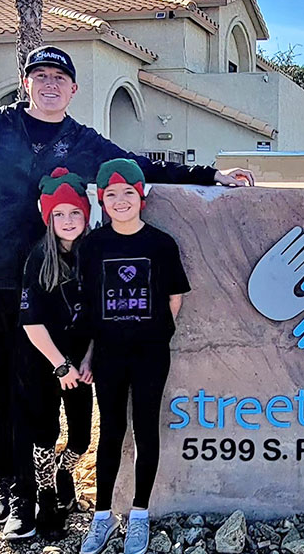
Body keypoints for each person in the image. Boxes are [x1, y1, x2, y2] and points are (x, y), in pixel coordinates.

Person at [0, 45, 253, 539]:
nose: (50, 84)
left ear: (74, 89)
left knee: (43, 391)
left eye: (60, 77)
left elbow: (139, 168)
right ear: (25, 82)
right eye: (40, 75)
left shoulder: (82, 141)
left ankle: (49, 480)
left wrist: (210, 176)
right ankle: (8, 484)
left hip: (52, 287)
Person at [77, 159, 188, 554]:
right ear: (102, 201)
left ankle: (139, 515)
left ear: (141, 196)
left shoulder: (160, 244)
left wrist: (157, 333)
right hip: (107, 355)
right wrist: (88, 356)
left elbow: (174, 298)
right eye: (111, 194)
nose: (120, 201)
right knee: (110, 433)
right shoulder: (92, 246)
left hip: (150, 354)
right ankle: (102, 517)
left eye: (128, 193)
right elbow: (89, 308)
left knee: (145, 429)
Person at [18, 168, 95, 539]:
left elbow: (101, 316)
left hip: (81, 365)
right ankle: (46, 499)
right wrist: (60, 365)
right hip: (44, 362)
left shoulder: (93, 254)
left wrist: (89, 359)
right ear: (48, 218)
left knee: (81, 437)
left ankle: (66, 470)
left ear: (86, 214)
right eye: (59, 214)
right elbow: (31, 323)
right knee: (45, 434)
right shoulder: (38, 258)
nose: (67, 221)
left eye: (75, 213)